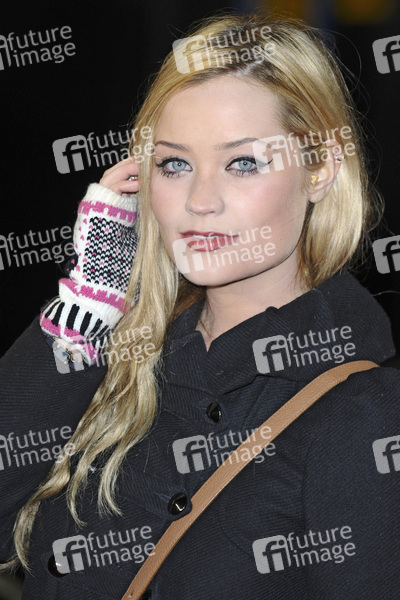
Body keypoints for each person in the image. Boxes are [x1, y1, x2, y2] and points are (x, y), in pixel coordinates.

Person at [0, 12, 399, 600]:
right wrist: (86, 305)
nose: (199, 200)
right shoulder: (117, 358)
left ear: (320, 171)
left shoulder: (363, 413)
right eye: (175, 164)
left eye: (243, 163)